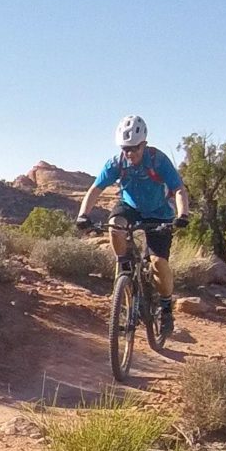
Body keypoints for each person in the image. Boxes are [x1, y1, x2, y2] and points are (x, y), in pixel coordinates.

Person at [76, 115, 187, 334]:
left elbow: (179, 190)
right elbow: (95, 189)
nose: (129, 153)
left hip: (159, 213)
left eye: (134, 148)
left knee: (158, 264)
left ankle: (165, 307)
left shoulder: (158, 160)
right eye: (125, 148)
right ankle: (125, 272)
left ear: (143, 144)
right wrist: (83, 215)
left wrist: (183, 215)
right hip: (130, 207)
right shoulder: (117, 163)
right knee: (115, 225)